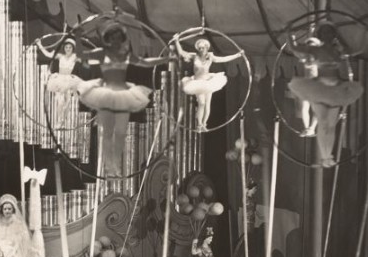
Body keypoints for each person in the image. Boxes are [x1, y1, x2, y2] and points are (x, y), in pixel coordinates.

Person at [75, 21, 170, 173]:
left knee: (120, 131)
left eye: (119, 38)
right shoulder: (101, 53)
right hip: (106, 93)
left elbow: (144, 62)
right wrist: (77, 36)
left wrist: (165, 59)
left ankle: (115, 164)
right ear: (108, 39)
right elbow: (80, 55)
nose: (116, 41)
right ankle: (108, 165)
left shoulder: (125, 54)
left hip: (122, 93)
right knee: (108, 131)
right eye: (113, 38)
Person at [288, 22, 363, 167]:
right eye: (324, 33)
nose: (327, 35)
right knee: (323, 123)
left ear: (334, 35)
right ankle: (324, 157)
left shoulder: (338, 50)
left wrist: (345, 35)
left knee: (330, 126)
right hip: (320, 89)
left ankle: (328, 157)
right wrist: (290, 33)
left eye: (330, 32)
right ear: (320, 35)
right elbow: (294, 48)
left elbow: (356, 49)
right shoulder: (315, 50)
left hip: (335, 89)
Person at [172, 30, 245, 130]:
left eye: (203, 47)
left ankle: (204, 125)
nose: (201, 49)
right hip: (197, 83)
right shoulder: (194, 56)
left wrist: (237, 55)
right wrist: (176, 41)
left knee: (207, 104)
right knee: (201, 103)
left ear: (207, 48)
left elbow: (223, 59)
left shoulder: (210, 57)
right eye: (200, 48)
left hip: (209, 82)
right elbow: (181, 53)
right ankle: (199, 125)